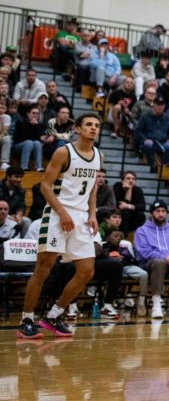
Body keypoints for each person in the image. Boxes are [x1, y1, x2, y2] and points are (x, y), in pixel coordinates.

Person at [16, 113, 102, 339]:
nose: (93, 129)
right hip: (56, 213)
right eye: (89, 125)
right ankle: (26, 318)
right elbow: (44, 186)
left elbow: (92, 188)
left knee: (86, 271)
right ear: (78, 129)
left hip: (82, 217)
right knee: (43, 269)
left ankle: (53, 315)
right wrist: (62, 213)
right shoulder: (64, 152)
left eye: (97, 126)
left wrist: (92, 214)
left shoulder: (98, 155)